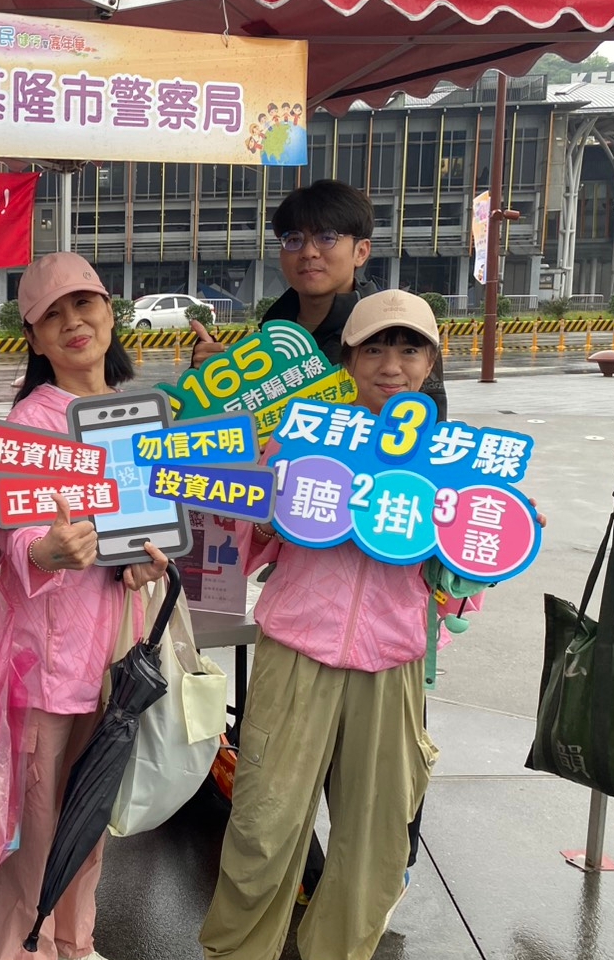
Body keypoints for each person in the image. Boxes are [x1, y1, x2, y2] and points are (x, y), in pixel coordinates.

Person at [198, 291, 538, 960]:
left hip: (392, 663)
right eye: (374, 348)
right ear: (348, 359)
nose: (391, 364)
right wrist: (261, 509)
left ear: (431, 362)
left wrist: (498, 541)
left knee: (376, 841)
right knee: (263, 828)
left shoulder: (454, 461)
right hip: (295, 652)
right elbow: (244, 541)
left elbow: (459, 587)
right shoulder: (300, 438)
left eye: (409, 349)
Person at [0, 252, 168, 960]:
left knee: (87, 821)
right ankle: (21, 950)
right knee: (34, 834)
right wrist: (44, 552)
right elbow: (8, 536)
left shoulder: (137, 414)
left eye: (83, 304)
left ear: (109, 311)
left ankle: (75, 943)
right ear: (32, 337)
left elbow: (152, 526)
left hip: (114, 664)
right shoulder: (31, 420)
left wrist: (146, 561)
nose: (72, 323)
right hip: (44, 668)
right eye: (51, 315)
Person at [191, 178, 447, 418]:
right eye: (294, 239)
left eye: (327, 237)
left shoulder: (398, 330)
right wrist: (208, 382)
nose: (308, 252)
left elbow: (428, 428)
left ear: (361, 252)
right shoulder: (270, 334)